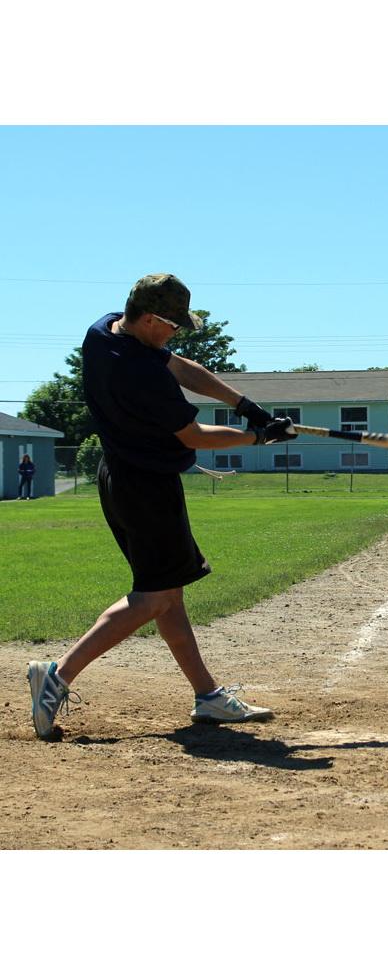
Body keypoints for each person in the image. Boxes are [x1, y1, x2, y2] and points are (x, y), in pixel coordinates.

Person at [28, 273, 297, 739]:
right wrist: (259, 436)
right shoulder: (140, 375)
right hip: (145, 487)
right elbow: (193, 437)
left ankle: (208, 696)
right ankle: (57, 676)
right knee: (154, 597)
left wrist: (243, 403)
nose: (176, 333)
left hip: (123, 476)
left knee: (167, 593)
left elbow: (180, 365)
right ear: (151, 319)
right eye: (173, 325)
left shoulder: (104, 330)